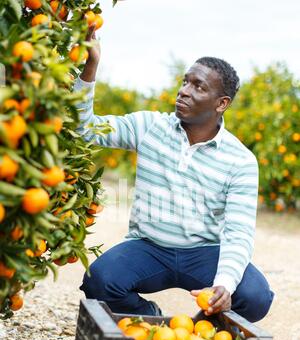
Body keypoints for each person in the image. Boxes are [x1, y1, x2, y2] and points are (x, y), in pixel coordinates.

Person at [74, 27, 274, 323]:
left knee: (255, 297)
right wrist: (90, 66)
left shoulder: (240, 160)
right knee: (100, 280)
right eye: (185, 82)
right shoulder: (150, 127)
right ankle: (149, 318)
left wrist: (225, 284)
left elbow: (238, 232)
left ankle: (196, 329)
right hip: (149, 248)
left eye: (199, 86)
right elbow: (85, 129)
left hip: (204, 253)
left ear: (222, 103)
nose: (184, 91)